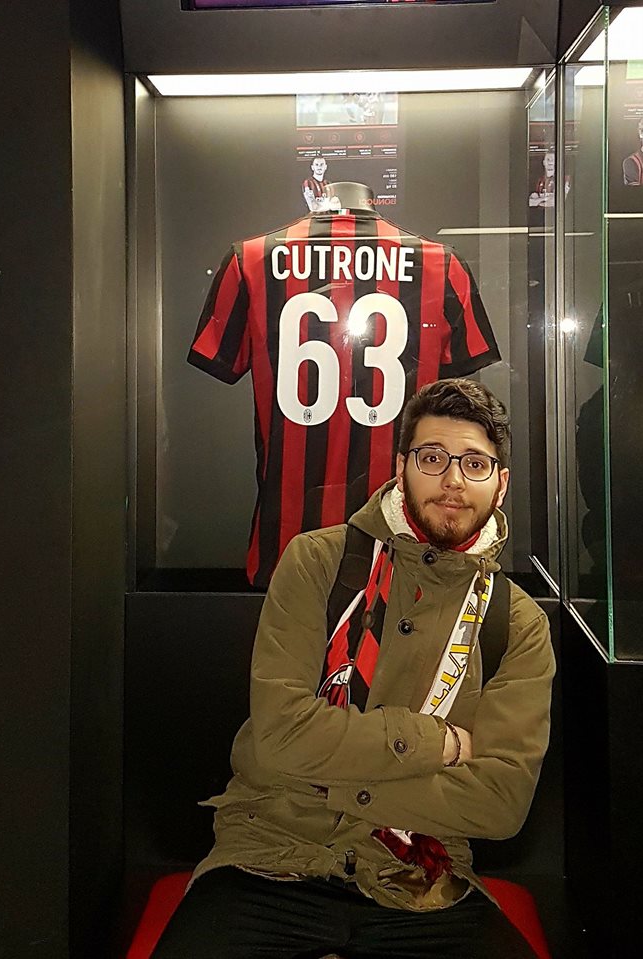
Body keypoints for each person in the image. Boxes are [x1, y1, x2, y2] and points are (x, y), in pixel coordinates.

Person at [152, 378, 555, 959]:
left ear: (501, 483)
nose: (453, 480)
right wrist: (436, 744)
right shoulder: (317, 561)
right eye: (432, 457)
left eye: (474, 463)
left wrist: (321, 777)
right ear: (401, 466)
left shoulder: (515, 622)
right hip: (271, 854)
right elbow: (282, 732)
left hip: (422, 875)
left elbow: (500, 800)